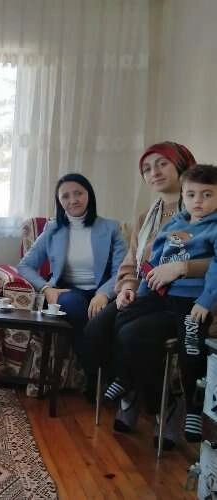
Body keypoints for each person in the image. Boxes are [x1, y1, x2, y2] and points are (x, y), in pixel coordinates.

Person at [81, 142, 205, 445]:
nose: (154, 172)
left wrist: (182, 268)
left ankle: (165, 404)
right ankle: (134, 391)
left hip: (186, 302)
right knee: (96, 330)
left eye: (162, 164)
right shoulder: (145, 218)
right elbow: (130, 263)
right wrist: (126, 288)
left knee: (133, 334)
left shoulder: (203, 210)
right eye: (147, 169)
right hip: (147, 295)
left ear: (183, 165)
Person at [105, 164, 217, 443]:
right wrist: (142, 292)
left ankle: (192, 408)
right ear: (183, 195)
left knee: (191, 347)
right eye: (191, 195)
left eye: (207, 195)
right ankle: (125, 378)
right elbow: (153, 262)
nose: (198, 201)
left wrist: (206, 301)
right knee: (123, 316)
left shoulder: (214, 228)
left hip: (191, 301)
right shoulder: (174, 224)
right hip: (160, 295)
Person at [17, 173, 127, 368]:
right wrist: (46, 289)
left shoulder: (111, 228)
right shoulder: (52, 228)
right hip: (67, 290)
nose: (73, 200)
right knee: (74, 306)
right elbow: (25, 265)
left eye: (78, 193)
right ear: (59, 201)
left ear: (89, 195)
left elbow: (121, 269)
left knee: (111, 316)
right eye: (65, 196)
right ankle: (96, 372)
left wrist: (103, 294)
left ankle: (97, 373)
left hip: (103, 290)